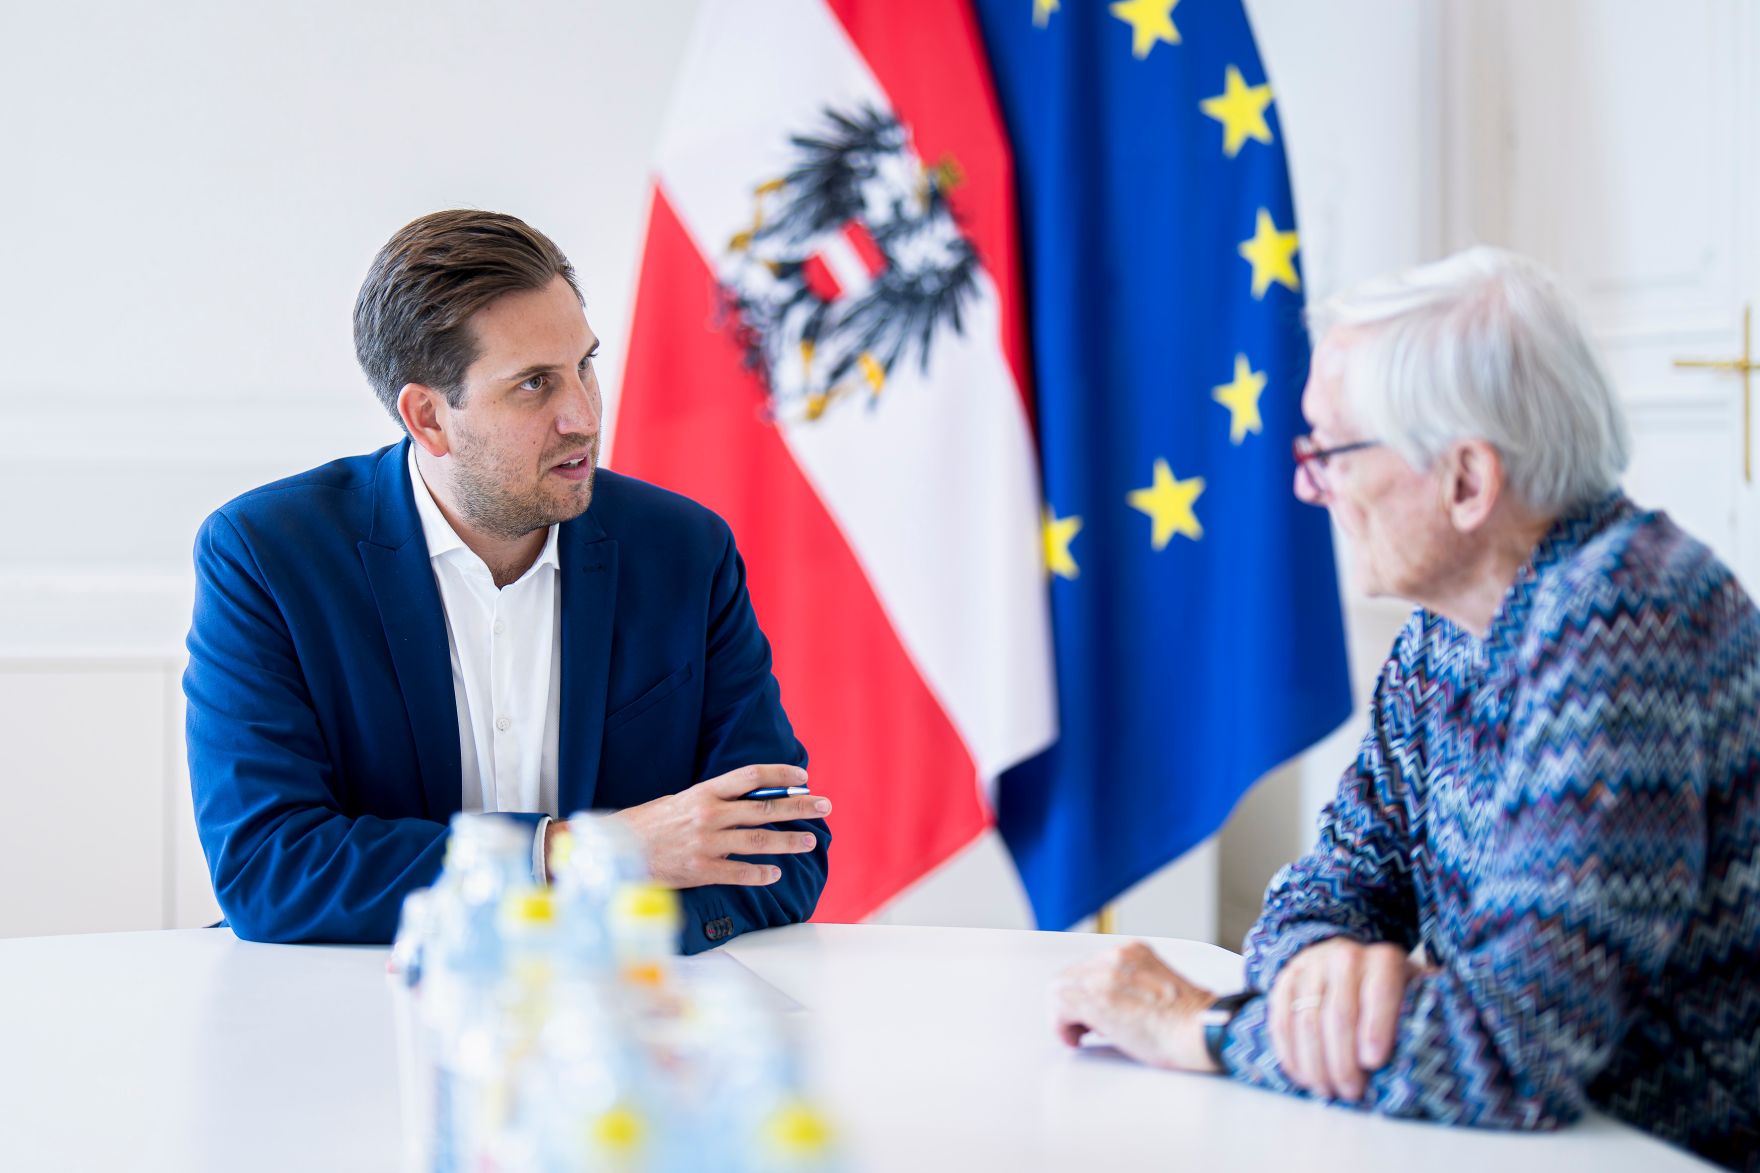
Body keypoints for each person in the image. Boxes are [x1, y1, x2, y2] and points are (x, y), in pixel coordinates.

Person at [1050, 247, 1759, 1170]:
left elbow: (1513, 1051)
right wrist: (1329, 981)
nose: (1308, 484)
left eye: (1332, 451)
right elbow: (1321, 892)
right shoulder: (1450, 629)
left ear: (1467, 480)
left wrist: (1207, 1028)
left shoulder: (1629, 616)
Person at [184, 209, 829, 951]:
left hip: (623, 1018)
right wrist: (590, 854)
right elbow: (272, 868)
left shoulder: (684, 550)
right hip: (358, 1013)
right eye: (534, 385)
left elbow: (782, 845)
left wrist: (573, 936)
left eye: (585, 365)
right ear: (428, 417)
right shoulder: (268, 555)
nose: (583, 415)